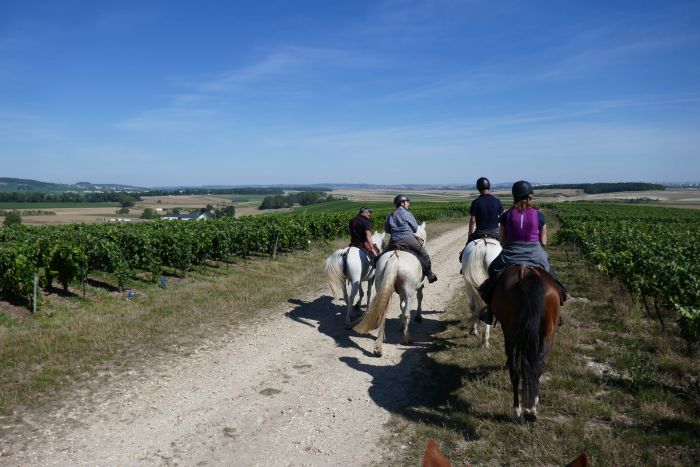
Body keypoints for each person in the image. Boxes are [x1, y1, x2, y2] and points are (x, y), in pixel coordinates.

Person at [478, 180, 567, 324]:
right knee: (552, 275)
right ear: (529, 196)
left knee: (492, 271)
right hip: (534, 252)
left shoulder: (506, 216)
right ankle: (559, 304)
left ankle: (489, 311)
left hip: (511, 253)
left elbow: (502, 241)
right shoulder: (539, 215)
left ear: (514, 196)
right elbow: (543, 242)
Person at [384, 195, 438, 283]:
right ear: (402, 203)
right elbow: (415, 228)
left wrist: (395, 232)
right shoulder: (407, 213)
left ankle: (376, 270)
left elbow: (387, 230)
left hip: (394, 239)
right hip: (407, 238)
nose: (408, 203)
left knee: (383, 254)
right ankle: (430, 274)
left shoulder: (390, 215)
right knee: (423, 253)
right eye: (407, 202)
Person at [468, 177, 503, 243]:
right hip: (495, 232)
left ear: (478, 188)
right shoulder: (497, 201)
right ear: (489, 187)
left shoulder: (476, 202)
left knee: (466, 248)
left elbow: (472, 220)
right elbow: (502, 218)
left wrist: (470, 233)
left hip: (479, 233)